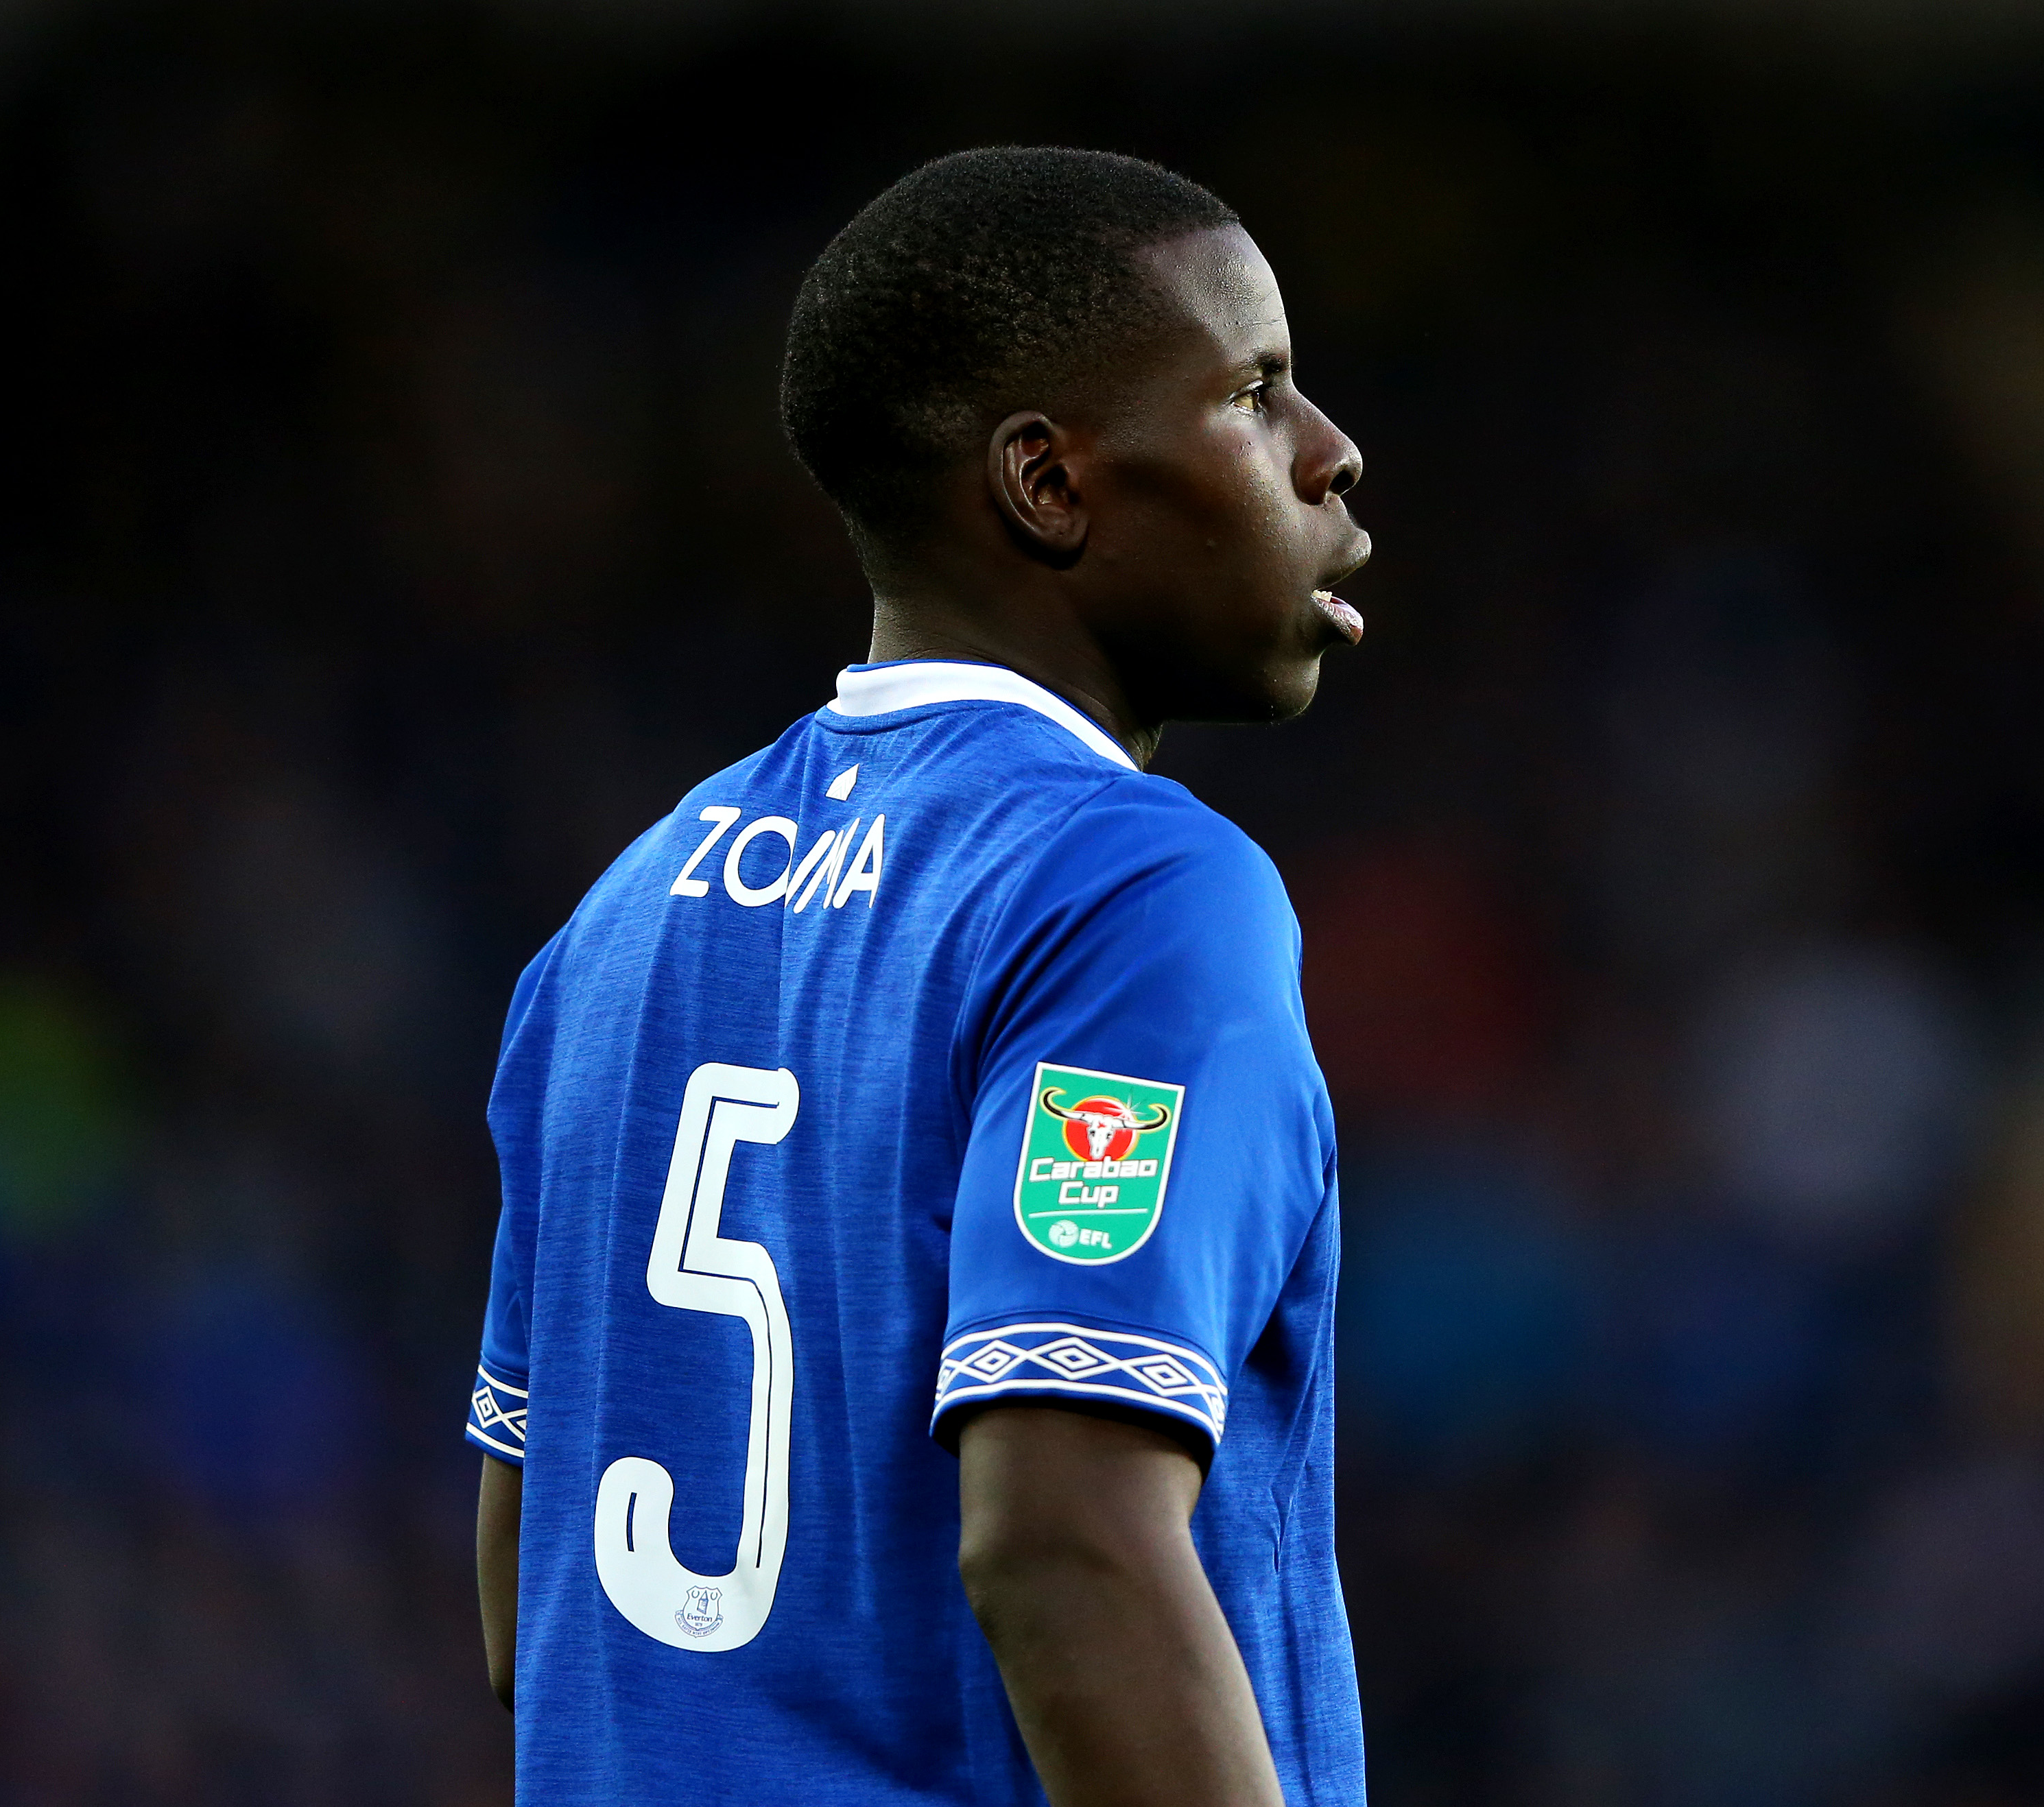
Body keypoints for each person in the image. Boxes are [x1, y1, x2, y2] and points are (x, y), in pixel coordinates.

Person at [466, 145, 1370, 1807]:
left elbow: (533, 1608)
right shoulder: (1135, 894)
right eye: (1256, 393)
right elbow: (1062, 1541)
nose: (1331, 453)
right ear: (1048, 485)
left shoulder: (614, 923)